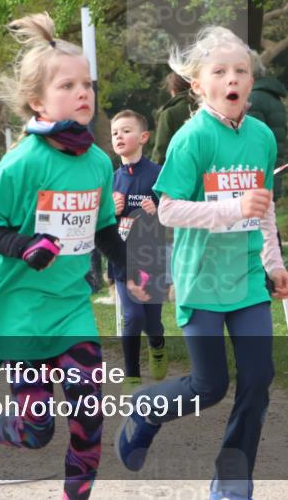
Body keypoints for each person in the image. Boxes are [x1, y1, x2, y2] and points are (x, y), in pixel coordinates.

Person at [0, 12, 140, 498]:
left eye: (88, 84)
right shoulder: (21, 163)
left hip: (72, 309)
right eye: (68, 85)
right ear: (37, 101)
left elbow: (102, 229)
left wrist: (130, 267)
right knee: (37, 430)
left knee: (88, 415)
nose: (84, 93)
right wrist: (24, 248)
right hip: (23, 315)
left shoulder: (98, 162)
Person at [115, 26, 288, 500]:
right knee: (208, 387)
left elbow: (265, 205)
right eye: (220, 71)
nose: (233, 77)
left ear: (251, 82)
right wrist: (230, 210)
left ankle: (232, 479)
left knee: (258, 380)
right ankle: (147, 409)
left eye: (241, 71)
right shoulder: (191, 139)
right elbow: (169, 208)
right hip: (201, 282)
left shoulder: (261, 136)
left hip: (249, 280)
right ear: (198, 85)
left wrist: (274, 264)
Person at [109, 109, 167, 391]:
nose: (119, 136)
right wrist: (111, 211)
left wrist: (157, 211)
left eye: (126, 130)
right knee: (133, 316)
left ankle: (157, 345)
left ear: (143, 137)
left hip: (152, 260)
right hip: (123, 259)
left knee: (152, 322)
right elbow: (99, 224)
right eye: (114, 132)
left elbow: (174, 217)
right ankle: (131, 375)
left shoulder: (158, 175)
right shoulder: (110, 180)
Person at [248, 68, 288, 200]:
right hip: (272, 171)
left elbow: (253, 145)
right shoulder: (273, 98)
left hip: (255, 179)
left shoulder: (253, 99)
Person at [151, 71, 196, 165]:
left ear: (173, 90)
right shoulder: (210, 110)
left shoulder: (169, 113)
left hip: (180, 171)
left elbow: (161, 151)